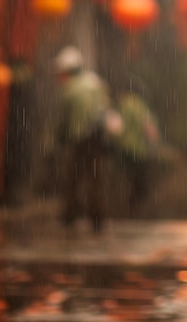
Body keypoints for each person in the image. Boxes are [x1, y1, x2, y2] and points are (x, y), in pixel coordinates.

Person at [53, 46, 113, 233]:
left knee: (73, 177)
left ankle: (70, 215)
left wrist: (59, 137)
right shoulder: (95, 83)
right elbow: (106, 108)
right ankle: (98, 217)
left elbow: (63, 117)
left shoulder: (71, 88)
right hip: (97, 137)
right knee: (96, 178)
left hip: (79, 137)